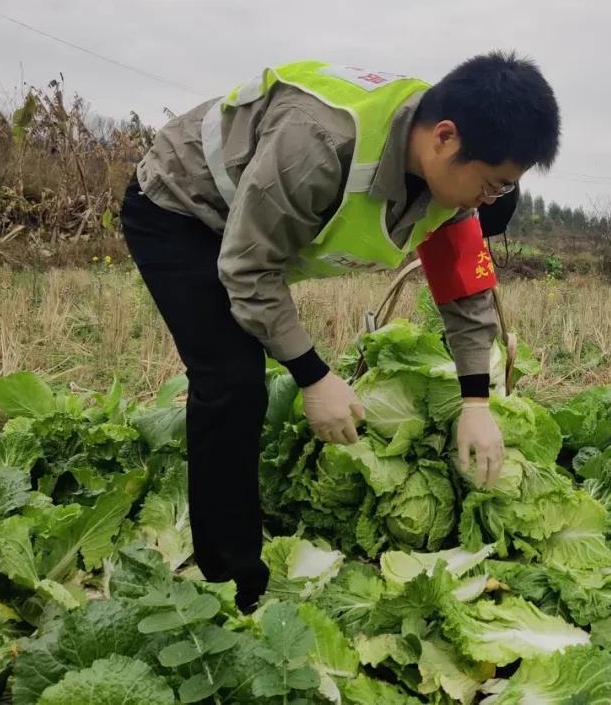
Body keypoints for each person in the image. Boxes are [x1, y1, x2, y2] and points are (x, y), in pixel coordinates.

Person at [120, 53, 560, 612]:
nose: (488, 201)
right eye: (492, 186)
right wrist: (312, 376)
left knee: (244, 375)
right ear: (445, 138)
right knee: (232, 382)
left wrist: (476, 402)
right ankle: (230, 582)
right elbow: (249, 270)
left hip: (250, 229)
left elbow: (467, 296)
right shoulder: (318, 143)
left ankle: (229, 552)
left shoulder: (450, 182)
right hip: (180, 206)